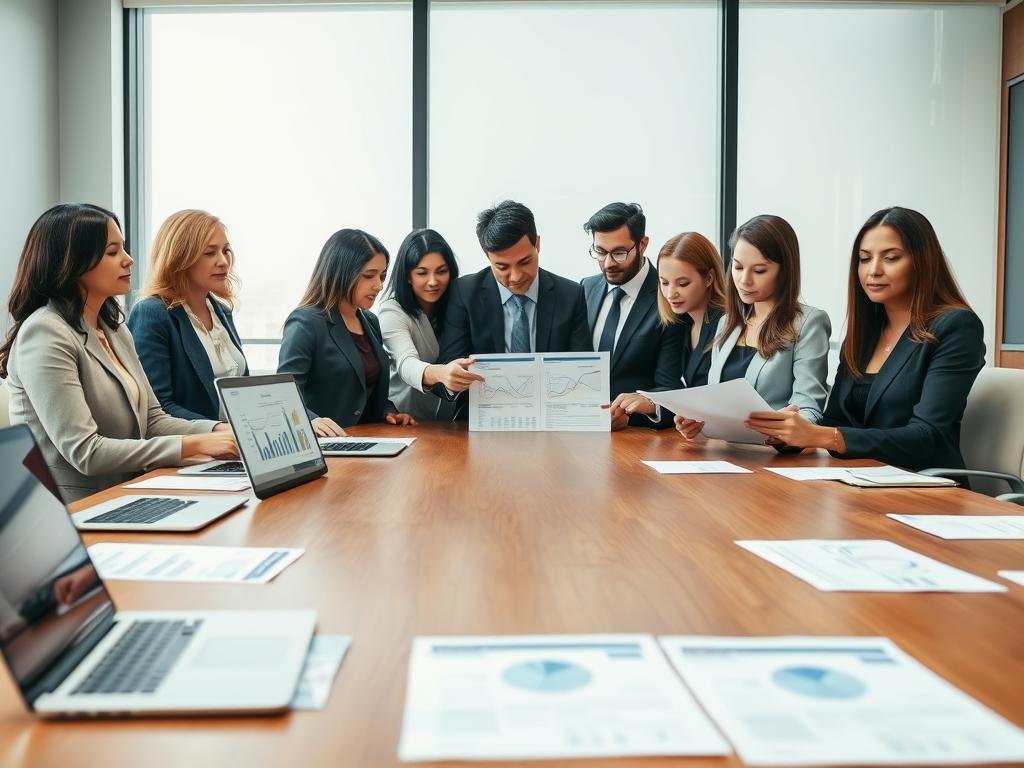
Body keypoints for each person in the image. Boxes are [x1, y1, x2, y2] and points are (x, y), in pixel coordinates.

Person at [0, 204, 238, 502]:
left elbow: (153, 420)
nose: (128, 260)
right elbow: (86, 452)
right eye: (113, 252)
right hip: (73, 510)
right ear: (72, 262)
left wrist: (223, 431)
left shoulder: (114, 329)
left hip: (128, 493)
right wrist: (197, 444)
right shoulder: (45, 332)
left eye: (123, 249)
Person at [745, 206, 985, 470]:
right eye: (864, 258)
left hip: (924, 486)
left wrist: (826, 437)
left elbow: (928, 436)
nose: (873, 270)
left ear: (922, 262)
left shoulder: (956, 326)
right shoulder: (865, 333)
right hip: (858, 480)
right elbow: (835, 419)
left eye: (891, 258)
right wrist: (787, 434)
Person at [674, 214, 831, 443]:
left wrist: (784, 432)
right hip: (725, 456)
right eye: (737, 267)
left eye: (759, 271)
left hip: (775, 461)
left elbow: (809, 409)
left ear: (785, 270)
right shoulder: (727, 323)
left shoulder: (809, 322)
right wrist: (696, 424)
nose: (744, 280)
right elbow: (715, 403)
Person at [278, 228, 416, 432]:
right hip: (326, 443)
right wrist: (310, 421)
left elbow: (365, 390)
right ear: (342, 273)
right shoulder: (306, 322)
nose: (378, 285)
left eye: (382, 276)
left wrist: (388, 412)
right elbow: (282, 394)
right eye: (369, 276)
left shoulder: (370, 321)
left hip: (365, 439)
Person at [437, 200, 591, 367]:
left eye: (524, 262)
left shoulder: (570, 295)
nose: (516, 277)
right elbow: (449, 365)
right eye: (502, 267)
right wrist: (453, 378)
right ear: (487, 256)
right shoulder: (464, 293)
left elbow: (581, 368)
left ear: (537, 244)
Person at [127, 209, 248, 421]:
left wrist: (305, 419)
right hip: (193, 447)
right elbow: (158, 408)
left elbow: (244, 393)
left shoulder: (222, 312)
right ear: (180, 258)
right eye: (209, 253)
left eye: (225, 251)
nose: (223, 261)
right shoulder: (152, 313)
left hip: (234, 445)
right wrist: (220, 431)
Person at [607, 231, 727, 427]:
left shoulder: (726, 324)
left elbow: (713, 399)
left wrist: (653, 402)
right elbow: (675, 389)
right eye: (664, 282)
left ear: (709, 278)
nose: (671, 293)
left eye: (683, 283)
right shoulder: (681, 323)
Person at [580, 203, 683, 430]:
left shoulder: (669, 298)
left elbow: (671, 390)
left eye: (619, 253)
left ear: (643, 244)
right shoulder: (586, 289)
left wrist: (640, 410)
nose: (608, 263)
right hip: (581, 432)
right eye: (600, 251)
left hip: (638, 438)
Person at [378, 229, 483, 421]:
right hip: (406, 420)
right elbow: (406, 363)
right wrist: (442, 373)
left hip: (452, 423)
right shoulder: (392, 311)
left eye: (441, 271)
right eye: (422, 273)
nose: (433, 282)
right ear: (408, 276)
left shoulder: (460, 305)